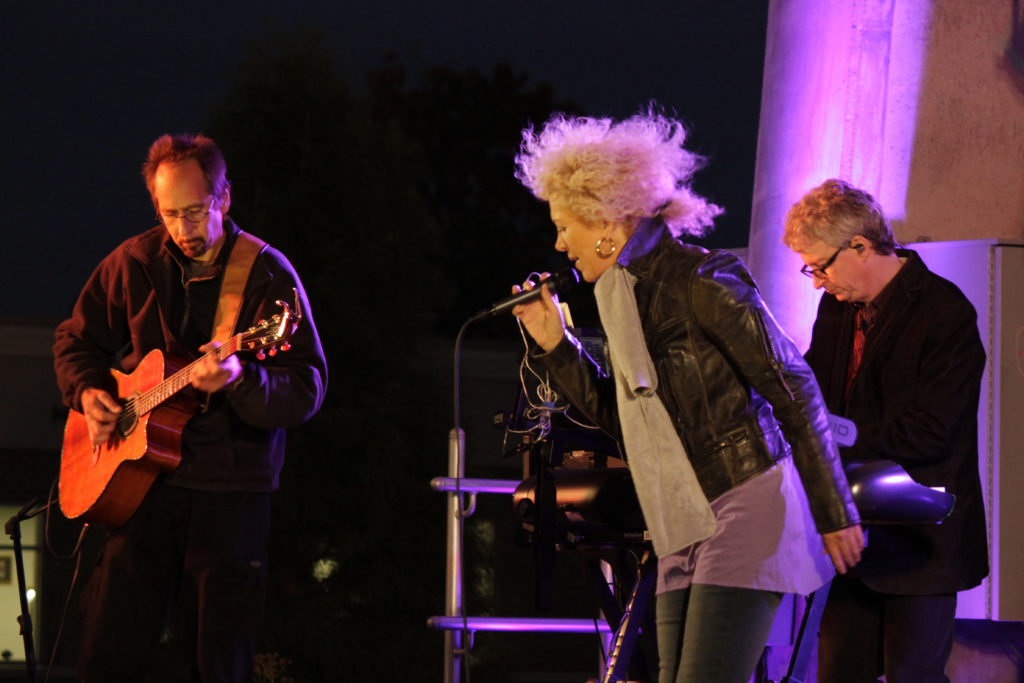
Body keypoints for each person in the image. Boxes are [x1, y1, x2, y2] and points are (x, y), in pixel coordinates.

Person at [510, 108, 864, 683]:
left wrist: (834, 509)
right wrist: (558, 347)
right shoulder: (620, 294)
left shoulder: (704, 280)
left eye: (564, 224)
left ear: (603, 217)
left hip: (743, 501)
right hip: (679, 515)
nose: (558, 242)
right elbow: (627, 421)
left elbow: (793, 385)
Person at [53, 133, 328, 681]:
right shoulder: (133, 261)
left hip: (230, 493)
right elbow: (73, 340)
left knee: (219, 663)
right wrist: (88, 393)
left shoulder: (269, 275)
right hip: (139, 491)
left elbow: (307, 386)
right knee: (106, 655)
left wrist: (240, 378)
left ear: (224, 197)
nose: (184, 230)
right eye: (170, 214)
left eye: (196, 211)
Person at [783, 179, 988, 683]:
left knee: (912, 676)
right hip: (856, 530)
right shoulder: (838, 305)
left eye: (820, 266)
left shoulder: (945, 311)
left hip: (922, 537)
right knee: (837, 673)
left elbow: (932, 430)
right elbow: (815, 387)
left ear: (861, 245)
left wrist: (837, 434)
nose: (815, 281)